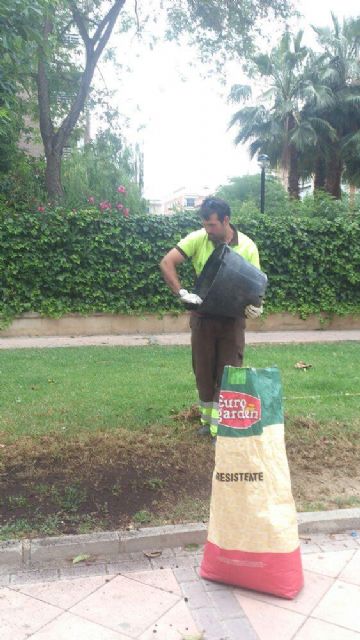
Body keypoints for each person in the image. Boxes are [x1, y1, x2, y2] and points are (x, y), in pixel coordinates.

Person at [159, 196, 263, 440]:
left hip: (232, 321)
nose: (208, 230)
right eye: (205, 225)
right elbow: (166, 263)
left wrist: (257, 308)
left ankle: (224, 427)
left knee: (229, 371)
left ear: (226, 220)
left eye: (212, 225)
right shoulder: (198, 238)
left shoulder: (247, 247)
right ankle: (208, 424)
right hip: (203, 318)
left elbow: (257, 288)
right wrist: (181, 292)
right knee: (204, 372)